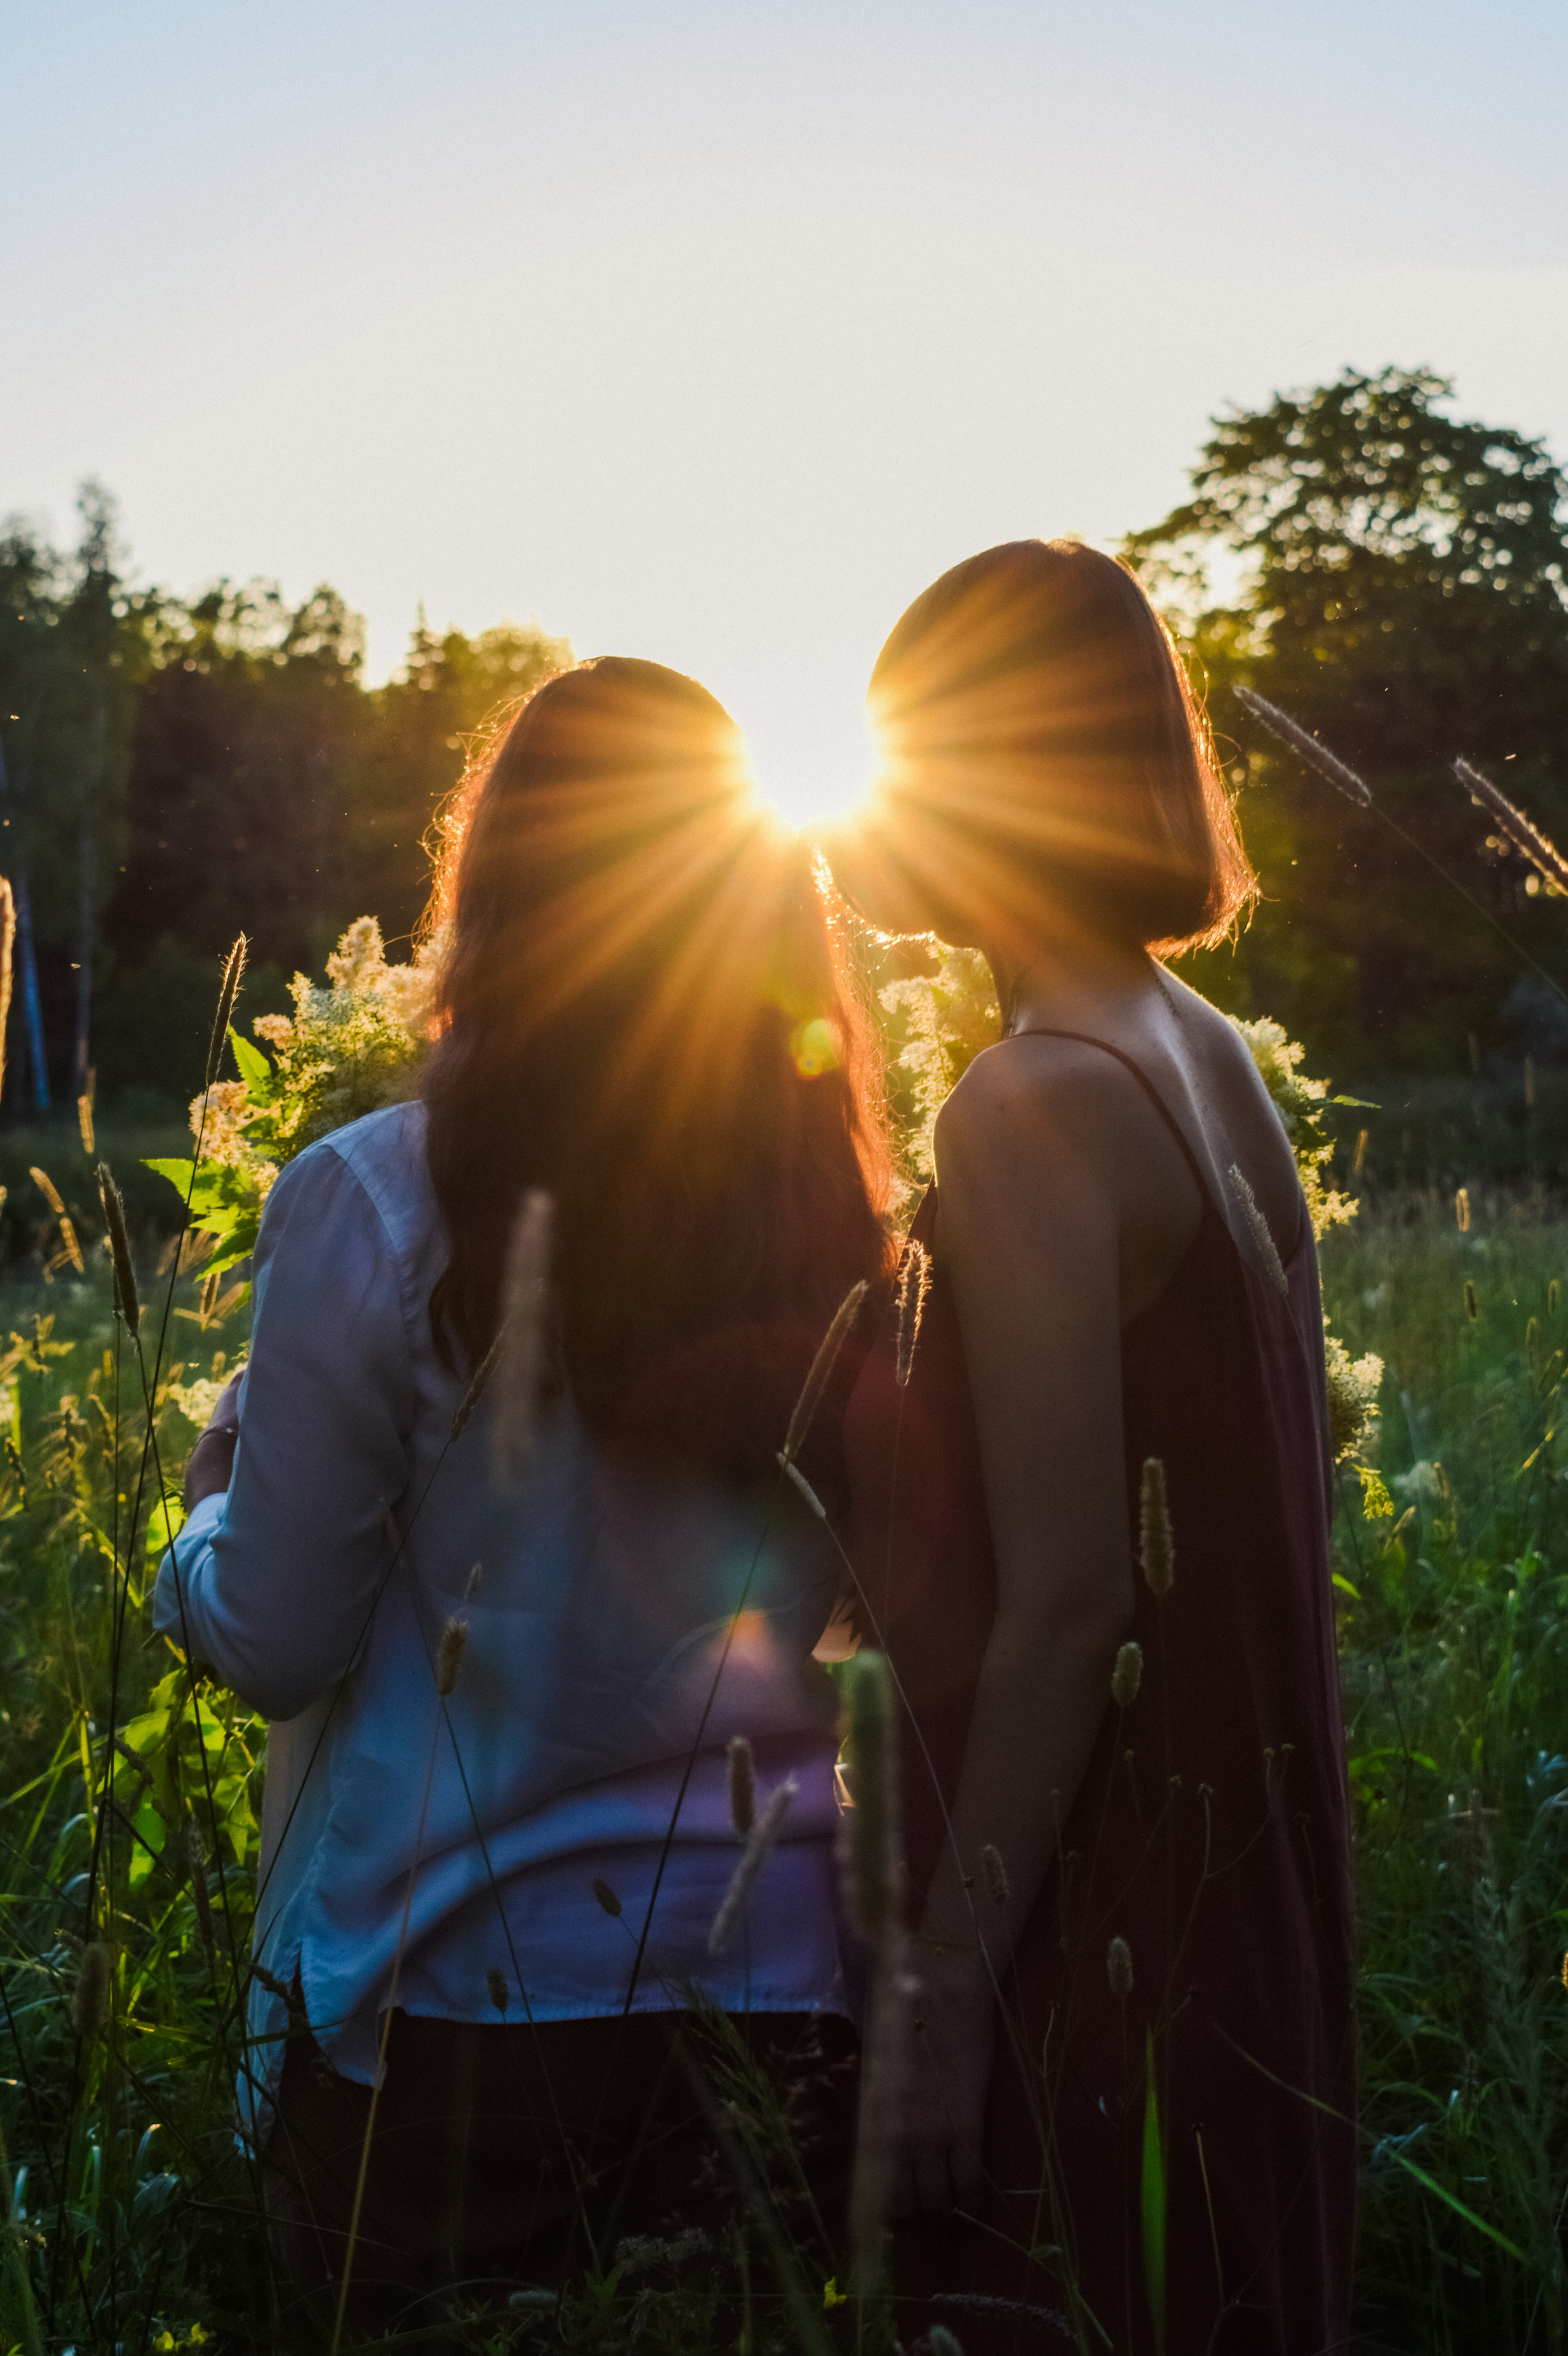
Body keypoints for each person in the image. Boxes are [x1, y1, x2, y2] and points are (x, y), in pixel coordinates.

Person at [158, 657, 893, 2344]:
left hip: (453, 2017)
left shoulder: (372, 1197)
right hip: (775, 1990)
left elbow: (274, 1640)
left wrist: (201, 1522)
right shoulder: (836, 1208)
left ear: (491, 888)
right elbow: (855, 1601)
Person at [829, 542, 1356, 2354]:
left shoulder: (1040, 1100)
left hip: (1102, 1914)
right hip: (1246, 1889)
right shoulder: (1202, 1049)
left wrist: (946, 1995)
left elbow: (1069, 1602)